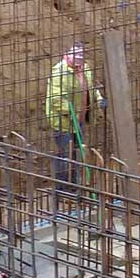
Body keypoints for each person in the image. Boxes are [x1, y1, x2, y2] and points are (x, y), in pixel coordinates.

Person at [44, 41, 102, 191]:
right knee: (65, 155)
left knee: (76, 153)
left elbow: (90, 87)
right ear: (67, 55)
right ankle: (63, 189)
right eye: (76, 54)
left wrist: (98, 98)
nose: (79, 57)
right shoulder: (59, 72)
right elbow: (56, 99)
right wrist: (70, 112)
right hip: (64, 122)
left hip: (80, 119)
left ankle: (74, 186)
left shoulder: (85, 69)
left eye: (81, 54)